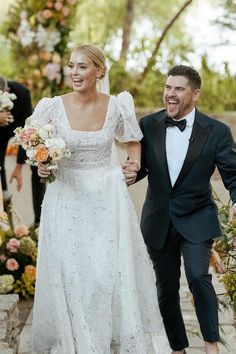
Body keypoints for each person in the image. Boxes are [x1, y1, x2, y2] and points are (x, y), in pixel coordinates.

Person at [31, 44, 170, 353]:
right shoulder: (51, 107)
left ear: (99, 71)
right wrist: (42, 164)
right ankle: (74, 342)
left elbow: (133, 142)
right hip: (65, 195)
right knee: (71, 272)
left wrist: (133, 165)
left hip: (107, 197)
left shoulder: (117, 106)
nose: (74, 73)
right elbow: (36, 149)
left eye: (82, 66)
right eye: (71, 66)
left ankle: (103, 338)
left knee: (102, 272)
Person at [123, 65, 236, 354]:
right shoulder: (147, 125)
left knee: (198, 276)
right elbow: (144, 165)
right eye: (167, 87)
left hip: (198, 216)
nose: (170, 94)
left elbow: (232, 175)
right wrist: (132, 173)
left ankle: (212, 344)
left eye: (178, 89)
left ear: (194, 94)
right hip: (158, 218)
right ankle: (177, 348)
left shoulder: (217, 132)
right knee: (166, 287)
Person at [0, 76, 45, 226]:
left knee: (36, 166)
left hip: (24, 127)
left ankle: (39, 220)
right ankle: (7, 219)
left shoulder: (22, 92)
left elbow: (27, 130)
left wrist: (19, 166)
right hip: (0, 130)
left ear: (7, 90)